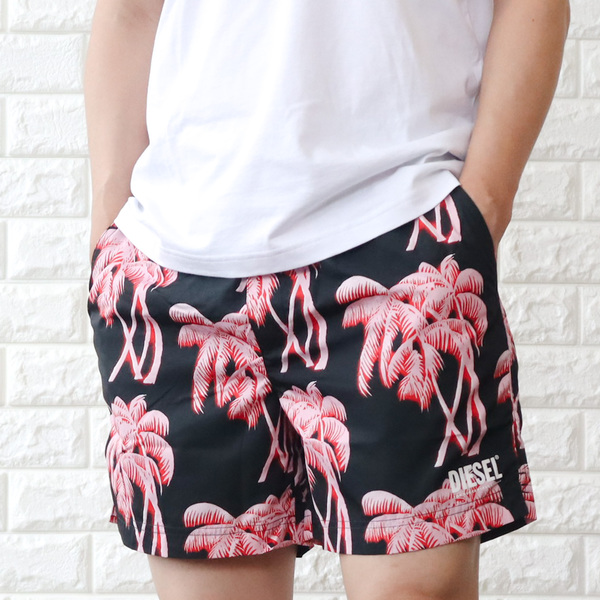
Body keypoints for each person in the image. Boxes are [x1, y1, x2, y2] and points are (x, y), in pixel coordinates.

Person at [84, 1, 570, 598]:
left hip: (396, 244)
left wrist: (482, 206)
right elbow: (130, 11)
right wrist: (109, 234)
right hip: (173, 271)